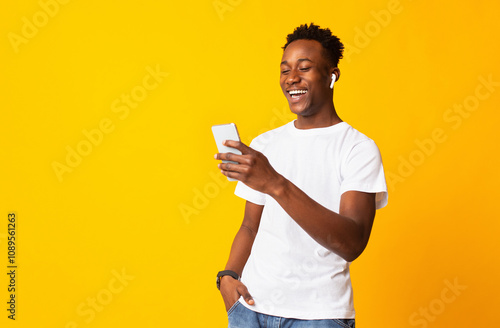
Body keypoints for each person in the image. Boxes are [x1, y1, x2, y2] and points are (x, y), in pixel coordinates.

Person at [214, 23, 388, 328]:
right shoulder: (265, 144)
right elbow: (250, 226)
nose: (292, 78)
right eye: (285, 70)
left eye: (304, 68)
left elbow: (352, 243)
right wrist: (228, 276)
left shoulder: (358, 148)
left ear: (332, 75)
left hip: (318, 316)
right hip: (250, 309)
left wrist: (275, 183)